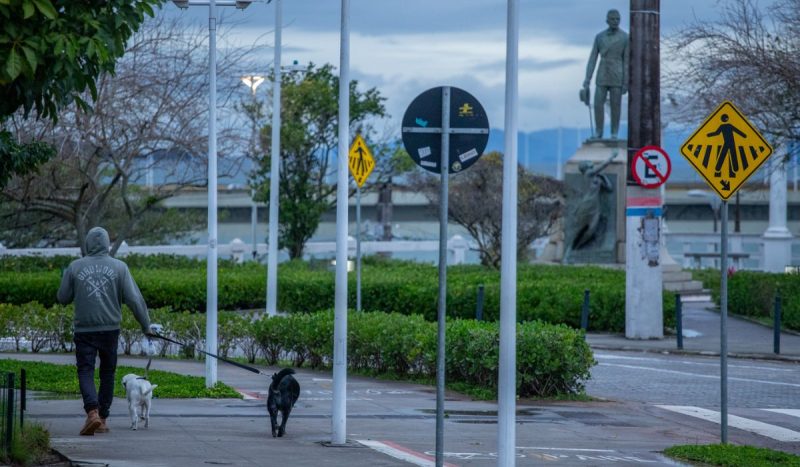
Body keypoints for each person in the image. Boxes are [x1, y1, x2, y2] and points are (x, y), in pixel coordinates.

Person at [57, 227, 154, 436]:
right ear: (107, 244)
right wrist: (146, 326)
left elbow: (62, 297)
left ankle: (92, 412)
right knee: (107, 373)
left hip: (84, 330)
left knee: (85, 370)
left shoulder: (75, 267)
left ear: (88, 244)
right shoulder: (120, 268)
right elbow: (135, 300)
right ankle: (102, 418)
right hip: (110, 330)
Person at [583, 9, 629, 140]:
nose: (615, 21)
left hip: (617, 73)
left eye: (617, 19)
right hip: (602, 72)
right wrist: (587, 78)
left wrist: (626, 82)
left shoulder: (625, 37)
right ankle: (599, 131)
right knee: (598, 103)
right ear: (607, 20)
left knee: (616, 105)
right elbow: (592, 58)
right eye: (613, 19)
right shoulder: (599, 37)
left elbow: (627, 61)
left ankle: (614, 132)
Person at [564, 151, 618, 261]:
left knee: (591, 231)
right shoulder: (588, 174)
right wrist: (612, 157)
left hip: (596, 207)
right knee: (579, 229)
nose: (591, 162)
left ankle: (577, 248)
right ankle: (568, 253)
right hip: (586, 205)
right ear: (586, 167)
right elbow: (602, 166)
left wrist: (603, 177)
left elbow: (609, 188)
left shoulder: (597, 178)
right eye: (588, 162)